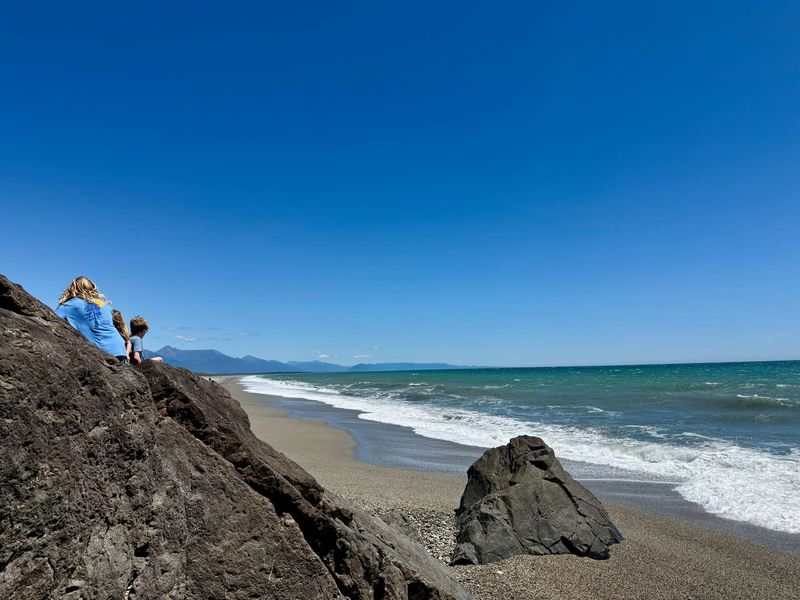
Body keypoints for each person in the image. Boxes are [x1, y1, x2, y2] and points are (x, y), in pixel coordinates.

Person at [56, 276, 127, 362]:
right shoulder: (104, 304)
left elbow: (52, 318)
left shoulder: (70, 305)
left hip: (102, 350)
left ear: (73, 289)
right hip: (119, 347)